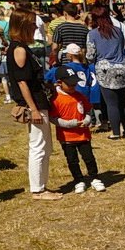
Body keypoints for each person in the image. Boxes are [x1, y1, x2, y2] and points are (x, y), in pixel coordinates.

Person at [6, 8, 61, 201]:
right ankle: (38, 189)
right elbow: (22, 82)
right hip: (33, 104)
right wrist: (34, 109)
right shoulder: (19, 49)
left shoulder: (21, 47)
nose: (35, 28)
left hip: (39, 100)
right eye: (32, 25)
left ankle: (41, 185)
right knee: (38, 145)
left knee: (45, 145)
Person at [49, 66, 104, 194]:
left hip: (83, 135)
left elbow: (88, 110)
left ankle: (94, 177)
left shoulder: (79, 95)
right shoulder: (56, 99)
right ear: (59, 83)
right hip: (67, 137)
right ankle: (78, 180)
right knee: (72, 160)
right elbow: (53, 118)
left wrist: (87, 120)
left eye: (75, 83)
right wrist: (69, 124)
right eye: (70, 84)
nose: (73, 86)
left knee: (89, 157)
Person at [87, 3, 125, 141]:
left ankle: (116, 132)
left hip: (105, 70)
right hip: (123, 67)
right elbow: (124, 47)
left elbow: (90, 55)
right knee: (124, 102)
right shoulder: (118, 31)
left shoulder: (92, 34)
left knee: (111, 104)